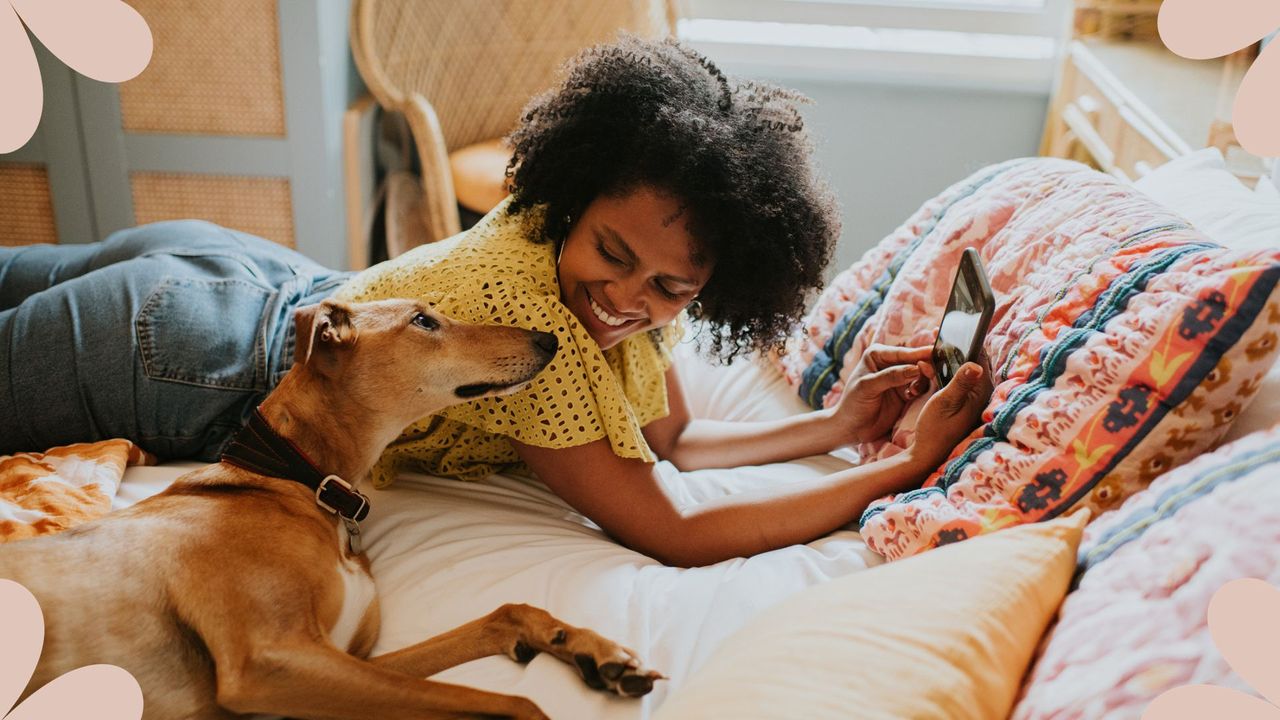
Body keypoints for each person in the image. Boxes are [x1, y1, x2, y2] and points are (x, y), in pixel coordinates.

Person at [0, 35, 990, 567]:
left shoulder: (625, 278)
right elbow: (671, 529)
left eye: (669, 288)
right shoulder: (530, 329)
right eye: (610, 254)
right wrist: (893, 468)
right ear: (575, 192)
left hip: (243, 283)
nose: (624, 298)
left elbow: (667, 438)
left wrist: (827, 425)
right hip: (192, 355)